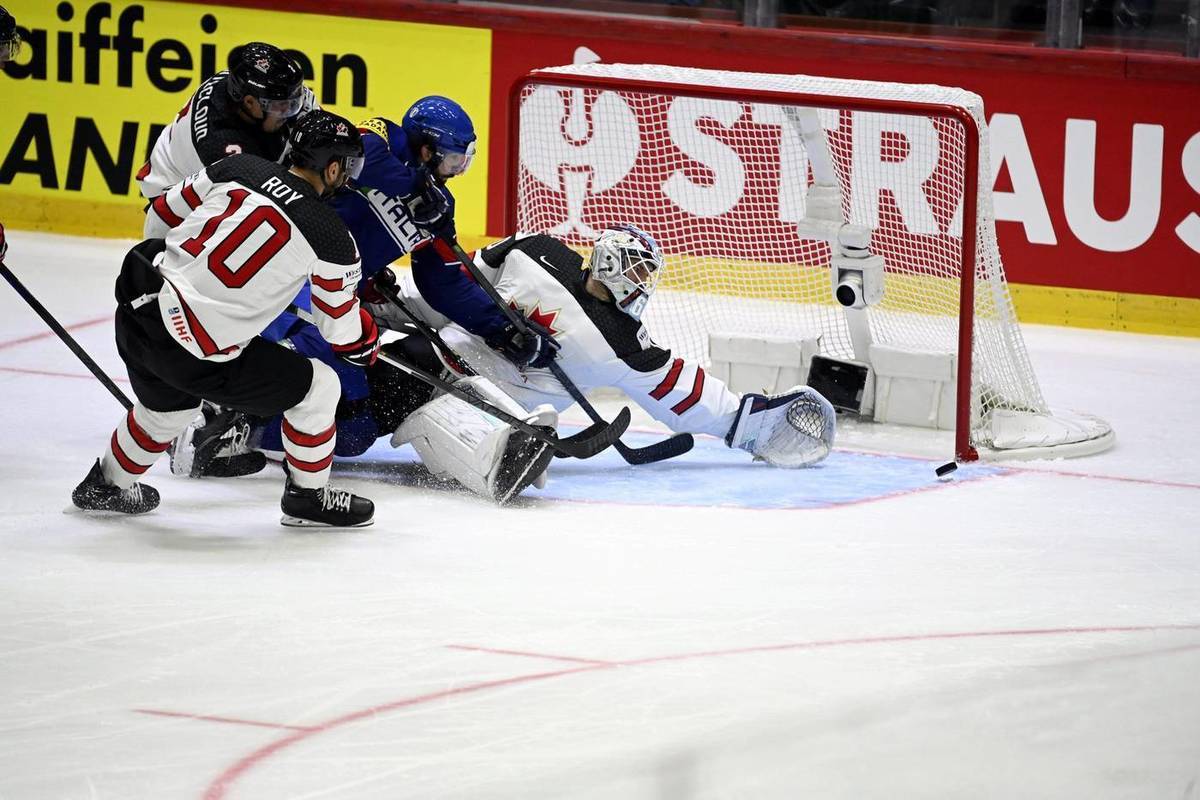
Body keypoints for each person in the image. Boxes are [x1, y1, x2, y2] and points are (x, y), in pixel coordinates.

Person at [71, 110, 379, 527]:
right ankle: (308, 499)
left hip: (141, 300)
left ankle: (104, 485)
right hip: (194, 348)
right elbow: (340, 331)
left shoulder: (239, 167)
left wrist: (196, 272)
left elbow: (163, 211)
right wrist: (367, 340)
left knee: (169, 409)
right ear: (334, 166)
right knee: (320, 386)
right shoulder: (333, 239)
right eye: (349, 169)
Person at [368, 225, 837, 469]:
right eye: (637, 271)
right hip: (432, 356)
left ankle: (499, 454)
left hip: (492, 407)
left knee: (383, 410)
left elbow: (680, 388)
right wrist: (390, 307)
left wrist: (744, 423)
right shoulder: (535, 251)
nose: (642, 284)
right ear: (609, 261)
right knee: (362, 390)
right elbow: (461, 286)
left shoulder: (625, 342)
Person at [136, 41, 313, 210]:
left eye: (293, 104)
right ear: (250, 103)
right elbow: (263, 202)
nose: (289, 112)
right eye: (280, 106)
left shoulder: (243, 88)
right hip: (173, 194)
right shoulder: (221, 143)